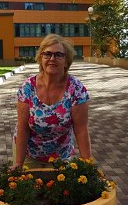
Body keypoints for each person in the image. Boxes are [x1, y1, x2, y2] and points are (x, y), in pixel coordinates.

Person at [13, 34, 92, 169]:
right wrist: (18, 164)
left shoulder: (76, 89)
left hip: (62, 158)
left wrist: (88, 165)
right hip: (28, 154)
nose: (52, 58)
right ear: (41, 58)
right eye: (47, 54)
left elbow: (81, 131)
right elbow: (23, 128)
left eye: (58, 55)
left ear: (66, 61)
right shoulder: (28, 88)